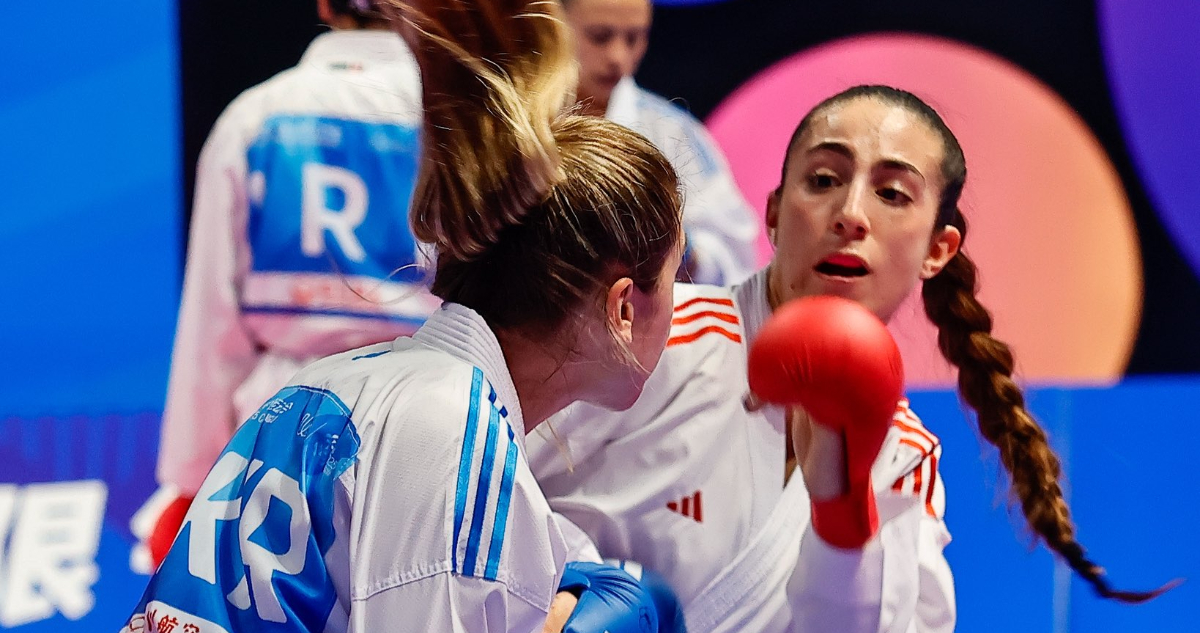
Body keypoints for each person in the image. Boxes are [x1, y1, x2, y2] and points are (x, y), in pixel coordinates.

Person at [120, 0, 687, 631]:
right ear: (624, 306)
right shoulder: (452, 435)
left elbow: (211, 334)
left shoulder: (349, 380)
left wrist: (187, 477)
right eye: (675, 277)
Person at [529, 84, 1172, 633]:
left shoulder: (904, 460)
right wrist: (564, 579)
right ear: (776, 214)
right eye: (824, 181)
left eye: (893, 194)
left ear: (938, 250)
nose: (851, 214)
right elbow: (461, 474)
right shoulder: (651, 338)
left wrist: (843, 509)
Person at [133, 0, 439, 569]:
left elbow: (212, 321)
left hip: (282, 433)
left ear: (325, 5)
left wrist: (192, 482)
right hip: (428, 427)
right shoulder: (454, 120)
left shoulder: (254, 119)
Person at [563, 0, 761, 285]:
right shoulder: (510, 122)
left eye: (633, 38)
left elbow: (735, 264)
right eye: (599, 36)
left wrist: (678, 248)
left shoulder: (673, 133)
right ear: (552, 27)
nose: (618, 56)